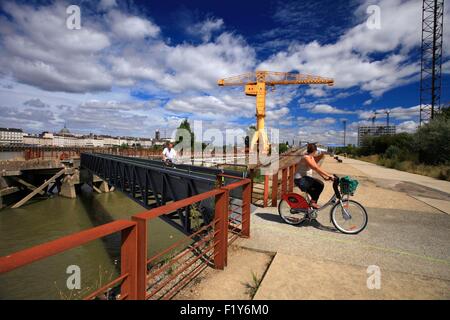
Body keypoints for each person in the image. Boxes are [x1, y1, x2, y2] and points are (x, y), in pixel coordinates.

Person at [294, 143, 334, 209]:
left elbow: (317, 167)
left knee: (319, 186)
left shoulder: (311, 157)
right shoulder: (306, 158)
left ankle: (311, 207)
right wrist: (329, 175)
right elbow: (315, 168)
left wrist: (324, 177)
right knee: (319, 186)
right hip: (300, 180)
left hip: (305, 179)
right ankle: (312, 204)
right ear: (315, 151)